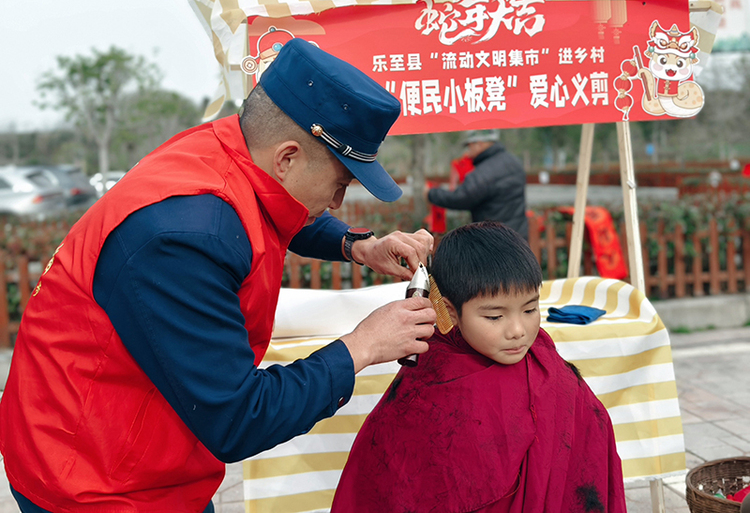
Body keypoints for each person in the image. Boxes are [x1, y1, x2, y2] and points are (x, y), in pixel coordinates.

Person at [0, 39, 437, 512]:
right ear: (287, 158)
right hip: (95, 477)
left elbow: (275, 208)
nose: (336, 204)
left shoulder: (227, 149)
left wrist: (357, 245)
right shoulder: (182, 239)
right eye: (338, 184)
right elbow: (237, 418)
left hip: (143, 436)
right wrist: (365, 345)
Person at [331, 221, 627, 513]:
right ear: (450, 312)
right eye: (495, 317)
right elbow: (396, 481)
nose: (518, 330)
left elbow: (591, 442)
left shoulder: (546, 364)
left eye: (530, 309)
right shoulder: (429, 380)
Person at [427, 130, 529, 240]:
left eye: (470, 146)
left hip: (493, 238)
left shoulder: (485, 171)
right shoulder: (514, 162)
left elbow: (461, 198)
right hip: (518, 237)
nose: (468, 151)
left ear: (480, 143)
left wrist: (431, 193)